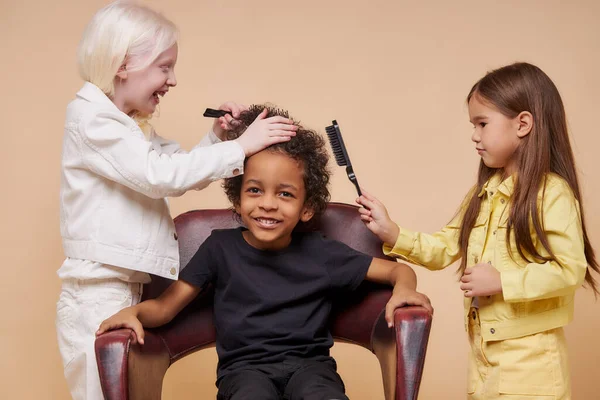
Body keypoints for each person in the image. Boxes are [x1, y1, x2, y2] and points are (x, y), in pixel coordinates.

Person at [97, 105, 433, 400]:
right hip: (244, 373)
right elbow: (165, 308)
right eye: (255, 190)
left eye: (285, 194)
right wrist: (135, 314)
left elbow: (398, 271)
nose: (267, 204)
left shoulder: (322, 252)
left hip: (311, 369)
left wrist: (404, 290)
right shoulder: (219, 248)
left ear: (307, 208)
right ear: (237, 198)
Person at [56, 2, 297, 398]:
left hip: (124, 290)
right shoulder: (92, 121)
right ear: (123, 65)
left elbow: (174, 166)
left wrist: (219, 138)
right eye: (164, 67)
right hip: (95, 296)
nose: (172, 80)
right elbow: (158, 176)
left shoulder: (128, 125)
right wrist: (242, 146)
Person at [357, 62, 599, 399]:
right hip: (485, 356)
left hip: (531, 367)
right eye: (473, 125)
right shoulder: (483, 194)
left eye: (482, 123)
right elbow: (444, 248)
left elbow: (569, 269)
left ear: (523, 124)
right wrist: (393, 233)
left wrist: (503, 281)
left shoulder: (551, 193)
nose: (474, 135)